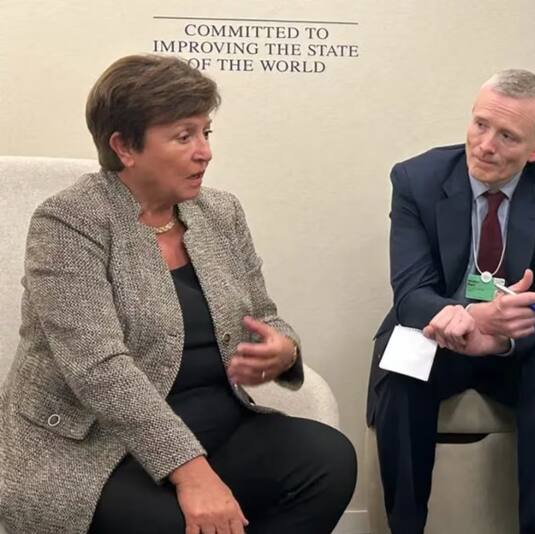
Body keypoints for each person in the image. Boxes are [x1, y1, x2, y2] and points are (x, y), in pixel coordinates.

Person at [0, 54, 356, 534]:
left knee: (327, 461)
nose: (204, 151)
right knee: (174, 523)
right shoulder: (68, 223)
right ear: (125, 146)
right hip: (94, 447)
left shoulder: (220, 212)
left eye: (206, 132)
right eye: (184, 136)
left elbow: (264, 313)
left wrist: (282, 349)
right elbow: (98, 367)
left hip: (216, 423)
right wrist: (192, 473)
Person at [366, 69, 535, 534]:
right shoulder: (416, 178)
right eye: (480, 124)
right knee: (399, 364)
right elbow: (410, 293)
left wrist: (499, 338)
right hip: (441, 327)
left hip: (518, 341)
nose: (486, 145)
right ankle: (405, 526)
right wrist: (470, 317)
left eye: (508, 136)